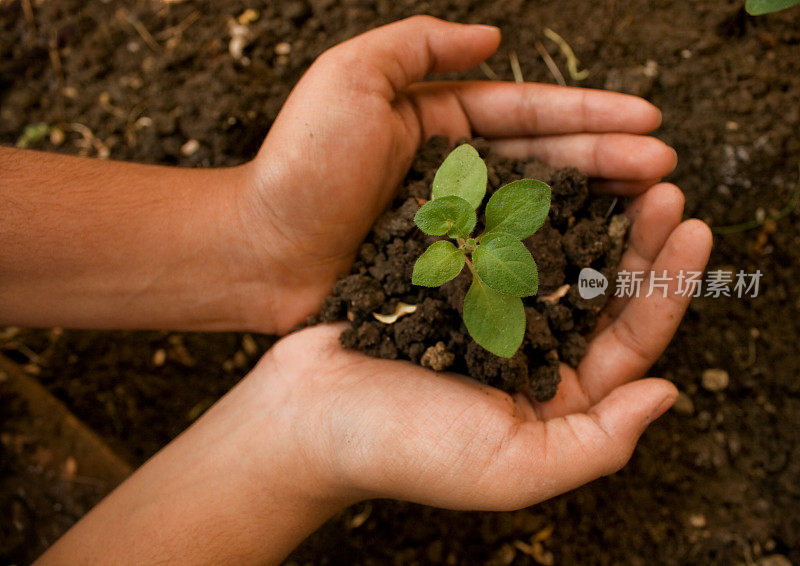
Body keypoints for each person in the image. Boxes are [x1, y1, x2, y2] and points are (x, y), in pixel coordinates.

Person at [0, 16, 712, 565]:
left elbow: (508, 257)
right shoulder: (428, 259)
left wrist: (251, 234)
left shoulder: (491, 240)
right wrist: (304, 435)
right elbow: (444, 260)